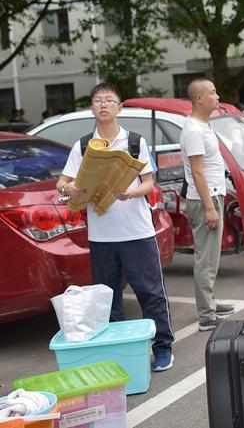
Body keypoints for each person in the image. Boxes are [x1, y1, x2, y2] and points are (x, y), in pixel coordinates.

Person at [56, 82, 175, 371]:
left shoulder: (134, 142)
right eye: (98, 100)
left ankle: (163, 347)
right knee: (108, 298)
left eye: (110, 100)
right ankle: (118, 355)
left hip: (137, 232)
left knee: (150, 292)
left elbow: (149, 182)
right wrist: (70, 189)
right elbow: (63, 181)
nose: (104, 104)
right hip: (102, 237)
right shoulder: (84, 146)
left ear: (120, 108)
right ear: (92, 108)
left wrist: (129, 193)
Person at [180, 78, 234, 332]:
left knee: (211, 257)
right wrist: (210, 207)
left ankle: (209, 303)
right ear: (199, 99)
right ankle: (206, 315)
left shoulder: (204, 125)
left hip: (211, 195)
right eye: (212, 92)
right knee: (206, 258)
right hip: (205, 199)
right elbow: (198, 172)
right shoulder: (193, 130)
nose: (217, 96)